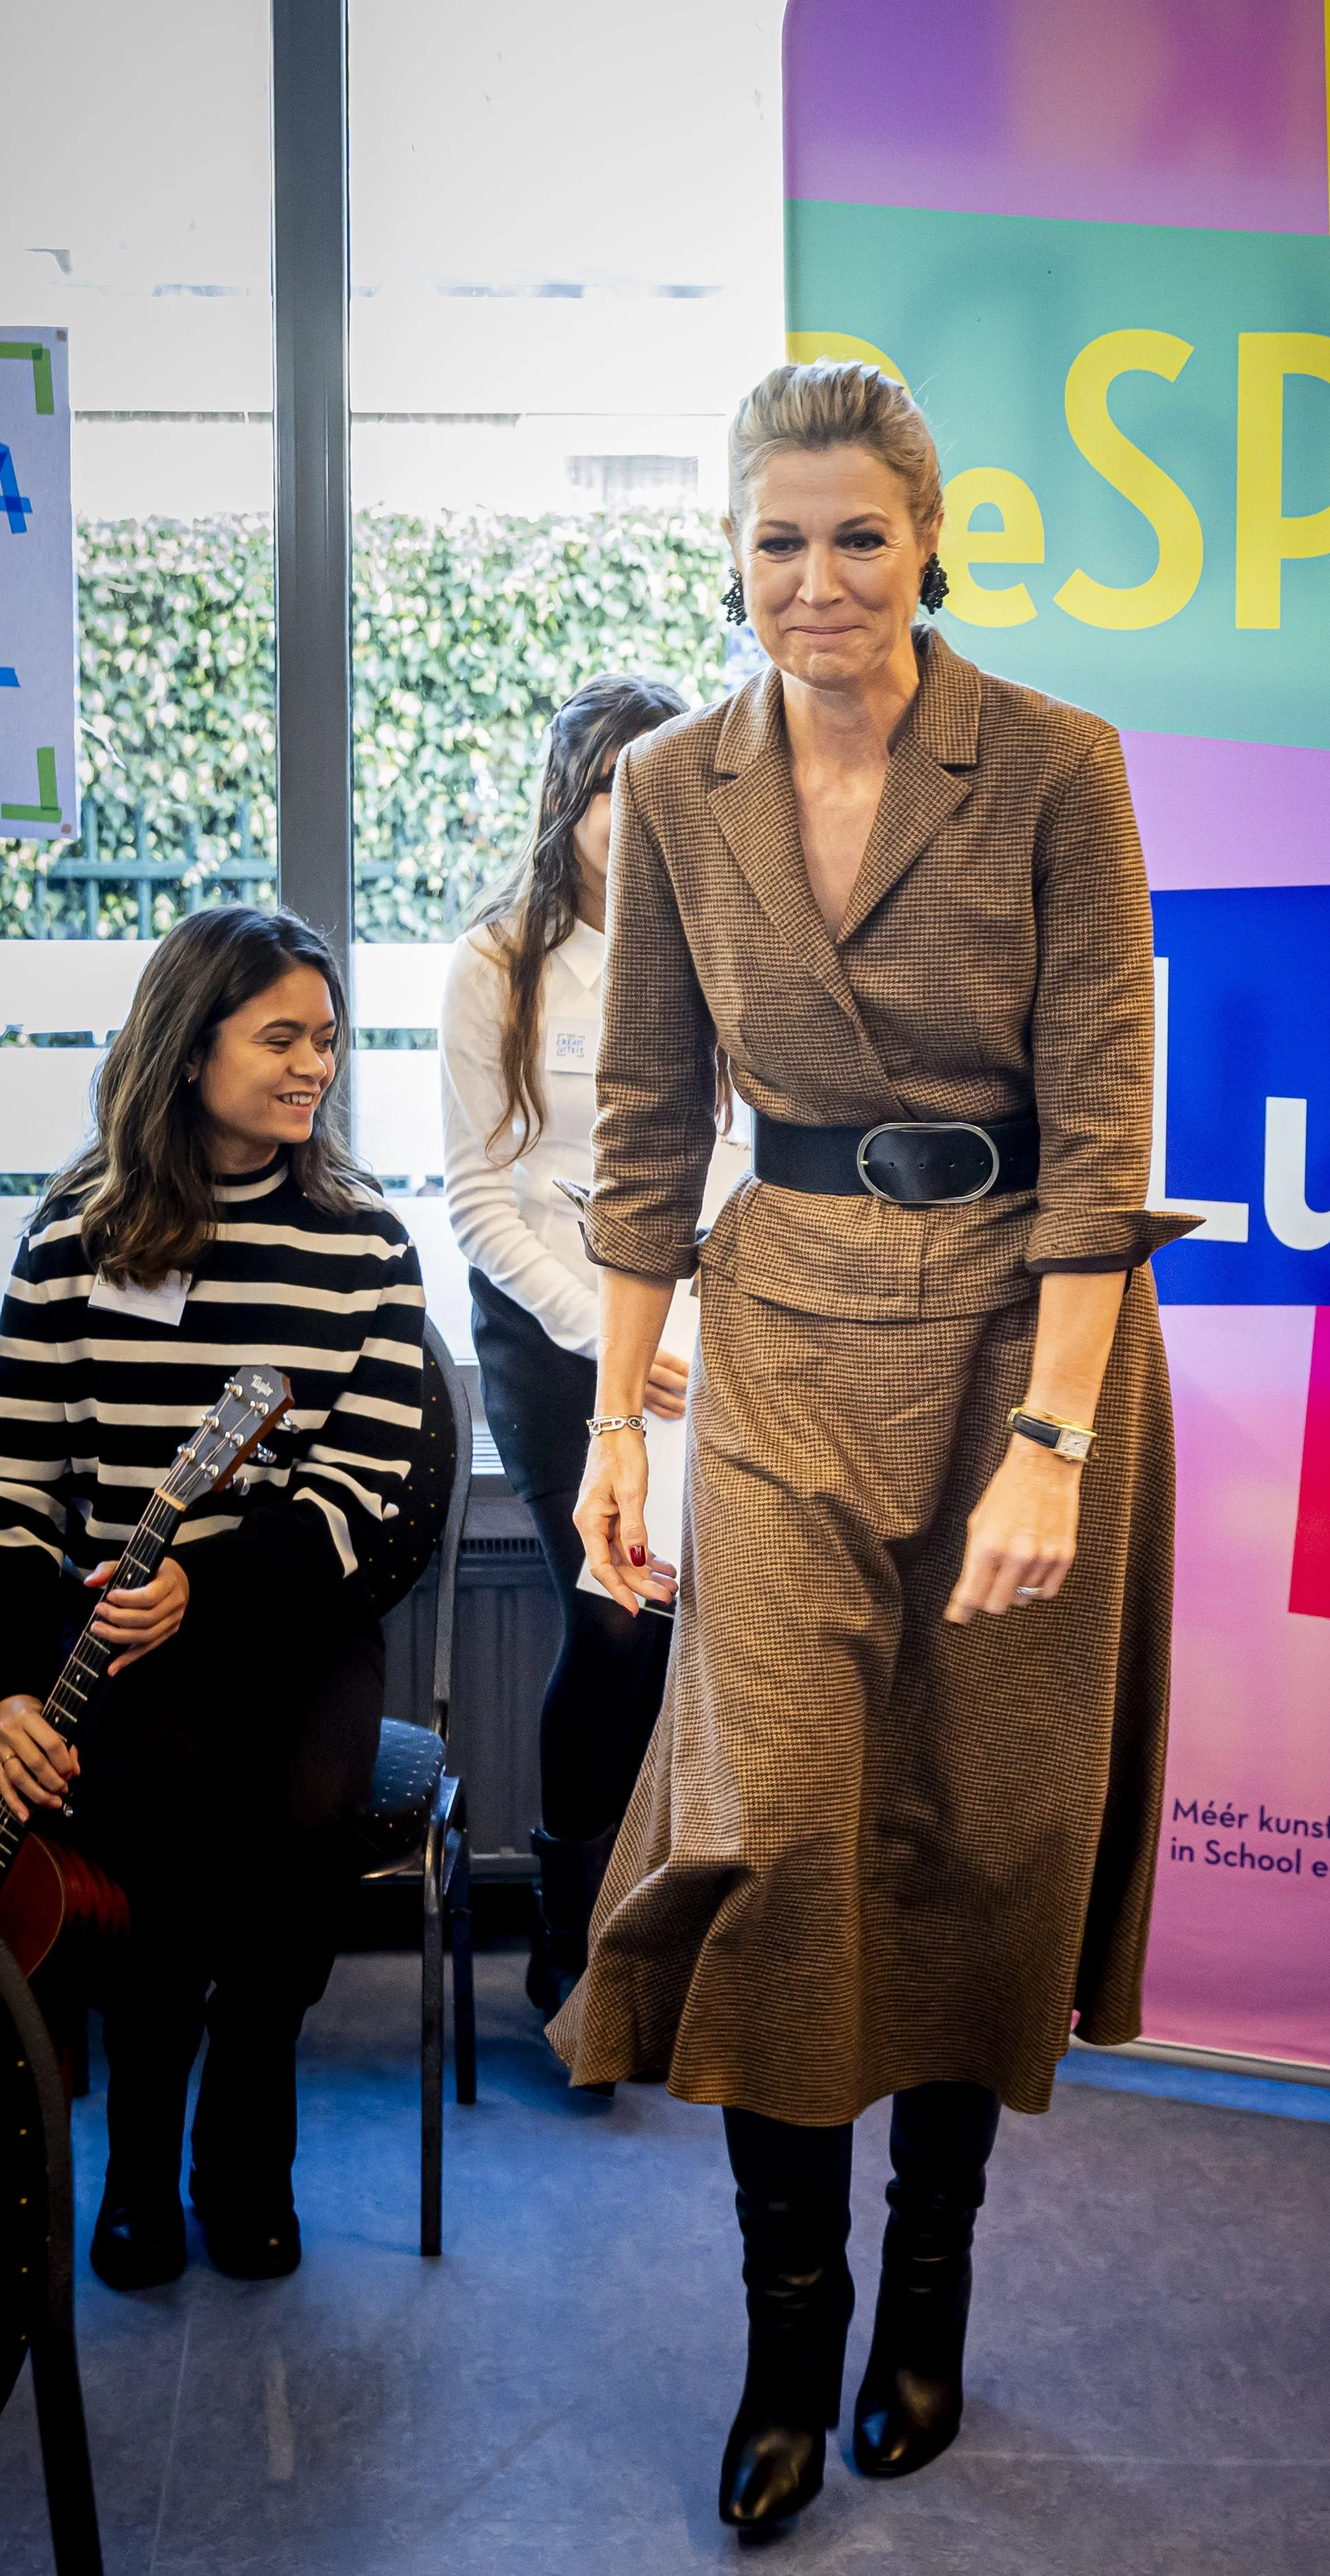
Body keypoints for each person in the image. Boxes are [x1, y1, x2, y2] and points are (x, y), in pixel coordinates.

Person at [558, 361, 1195, 2528]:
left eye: (854, 536)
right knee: (771, 1837)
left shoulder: (1051, 763)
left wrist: (1053, 1439)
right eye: (775, 540)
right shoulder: (673, 783)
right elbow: (643, 1129)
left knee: (970, 1829)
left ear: (928, 540)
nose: (814, 580)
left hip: (1028, 1337)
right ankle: (786, 2335)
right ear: (729, 554)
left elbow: (1103, 1129)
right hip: (783, 1341)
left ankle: (928, 2292)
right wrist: (615, 1424)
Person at [0, 907, 425, 2288]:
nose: (316, 1066)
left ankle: (244, 2150)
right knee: (165, 1837)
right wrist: (11, 1683)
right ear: (190, 1050)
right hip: (119, 1633)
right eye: (280, 1038)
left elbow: (359, 1493)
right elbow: (16, 1490)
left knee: (301, 1832)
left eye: (327, 1038)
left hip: (296, 1621)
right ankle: (137, 2157)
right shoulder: (71, 1237)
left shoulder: (367, 1241)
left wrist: (206, 1583)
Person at [441, 675, 735, 2013]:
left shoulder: (721, 947)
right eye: (613, 786)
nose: (635, 811)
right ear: (567, 800)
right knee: (615, 1621)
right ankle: (568, 1936)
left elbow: (734, 1158)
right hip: (550, 1334)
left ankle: (656, 1931)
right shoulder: (495, 964)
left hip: (701, 1323)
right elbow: (476, 1203)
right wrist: (607, 1334)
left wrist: (689, 1321)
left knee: (691, 1627)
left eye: (658, 784)